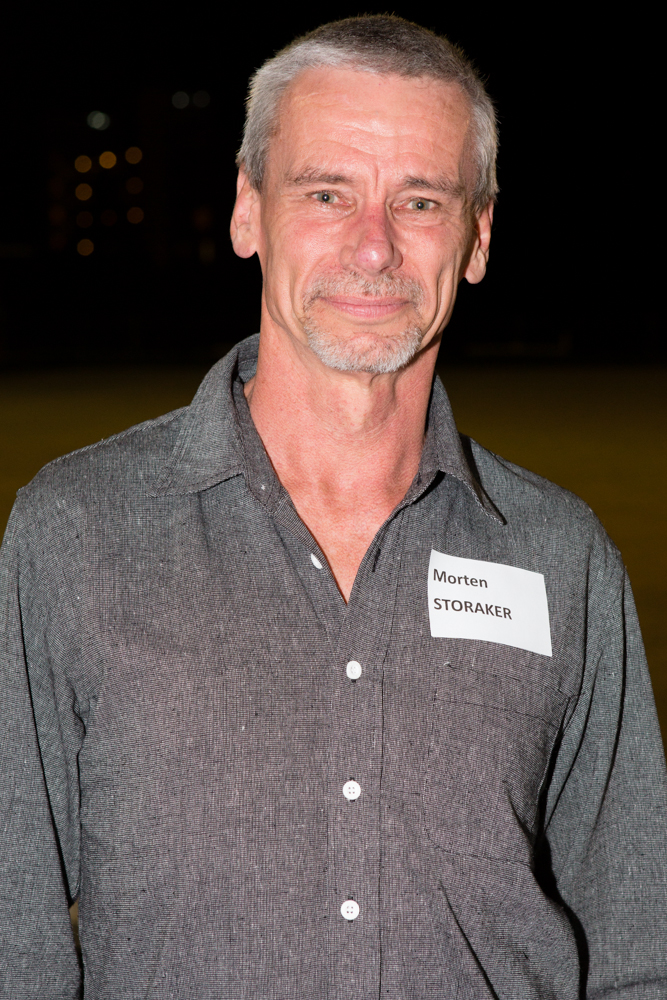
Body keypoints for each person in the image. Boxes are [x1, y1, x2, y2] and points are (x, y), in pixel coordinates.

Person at [1, 14, 666, 998]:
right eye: (326, 193)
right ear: (247, 211)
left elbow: (636, 943)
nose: (374, 247)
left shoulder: (560, 557)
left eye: (420, 201)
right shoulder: (76, 532)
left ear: (477, 237)